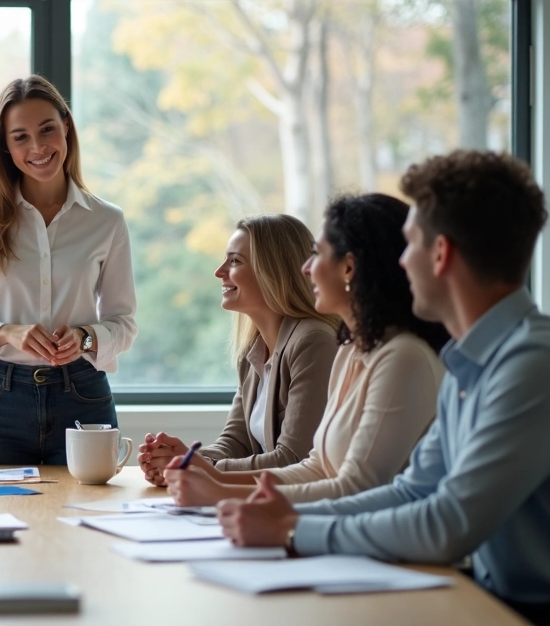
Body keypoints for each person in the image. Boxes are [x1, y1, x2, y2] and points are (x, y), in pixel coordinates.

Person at [215, 151, 550, 626]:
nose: (399, 262)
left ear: (441, 254)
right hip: (500, 600)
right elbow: (411, 490)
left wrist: (294, 528)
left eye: (410, 244)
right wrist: (286, 516)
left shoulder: (534, 366)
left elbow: (448, 524)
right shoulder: (471, 362)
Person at [165, 193, 449, 506]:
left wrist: (221, 489)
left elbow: (356, 487)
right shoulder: (349, 350)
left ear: (348, 268)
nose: (306, 269)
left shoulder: (403, 358)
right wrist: (214, 479)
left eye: (317, 255)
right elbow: (316, 467)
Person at [0, 75, 137, 465]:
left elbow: (123, 323)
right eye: (20, 137)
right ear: (5, 147)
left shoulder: (106, 221)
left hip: (83, 398)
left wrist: (85, 337)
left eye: (47, 130)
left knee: (84, 521)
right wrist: (6, 332)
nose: (38, 147)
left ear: (67, 128)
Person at [138, 215, 338, 486]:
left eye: (234, 261)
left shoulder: (313, 342)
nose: (219, 271)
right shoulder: (252, 352)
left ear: (274, 271)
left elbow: (294, 459)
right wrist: (180, 461)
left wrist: (201, 467)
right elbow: (235, 442)